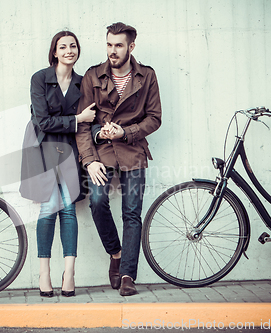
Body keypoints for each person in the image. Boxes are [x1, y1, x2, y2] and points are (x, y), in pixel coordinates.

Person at [75, 22, 162, 296]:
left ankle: (127, 274)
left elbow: (155, 118)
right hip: (101, 153)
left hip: (133, 150)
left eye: (119, 45)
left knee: (131, 213)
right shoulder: (92, 76)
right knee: (98, 201)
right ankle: (116, 254)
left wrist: (127, 131)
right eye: (109, 44)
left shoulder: (146, 76)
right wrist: (89, 159)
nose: (112, 51)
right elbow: (82, 124)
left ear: (131, 46)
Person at [19, 31, 96, 297]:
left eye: (73, 46)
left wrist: (88, 124)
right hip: (43, 147)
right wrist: (77, 119)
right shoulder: (40, 79)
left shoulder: (83, 82)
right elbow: (42, 121)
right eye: (62, 47)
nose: (68, 51)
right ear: (54, 52)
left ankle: (70, 273)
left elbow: (91, 119)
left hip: (71, 148)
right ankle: (44, 273)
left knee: (68, 208)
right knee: (50, 205)